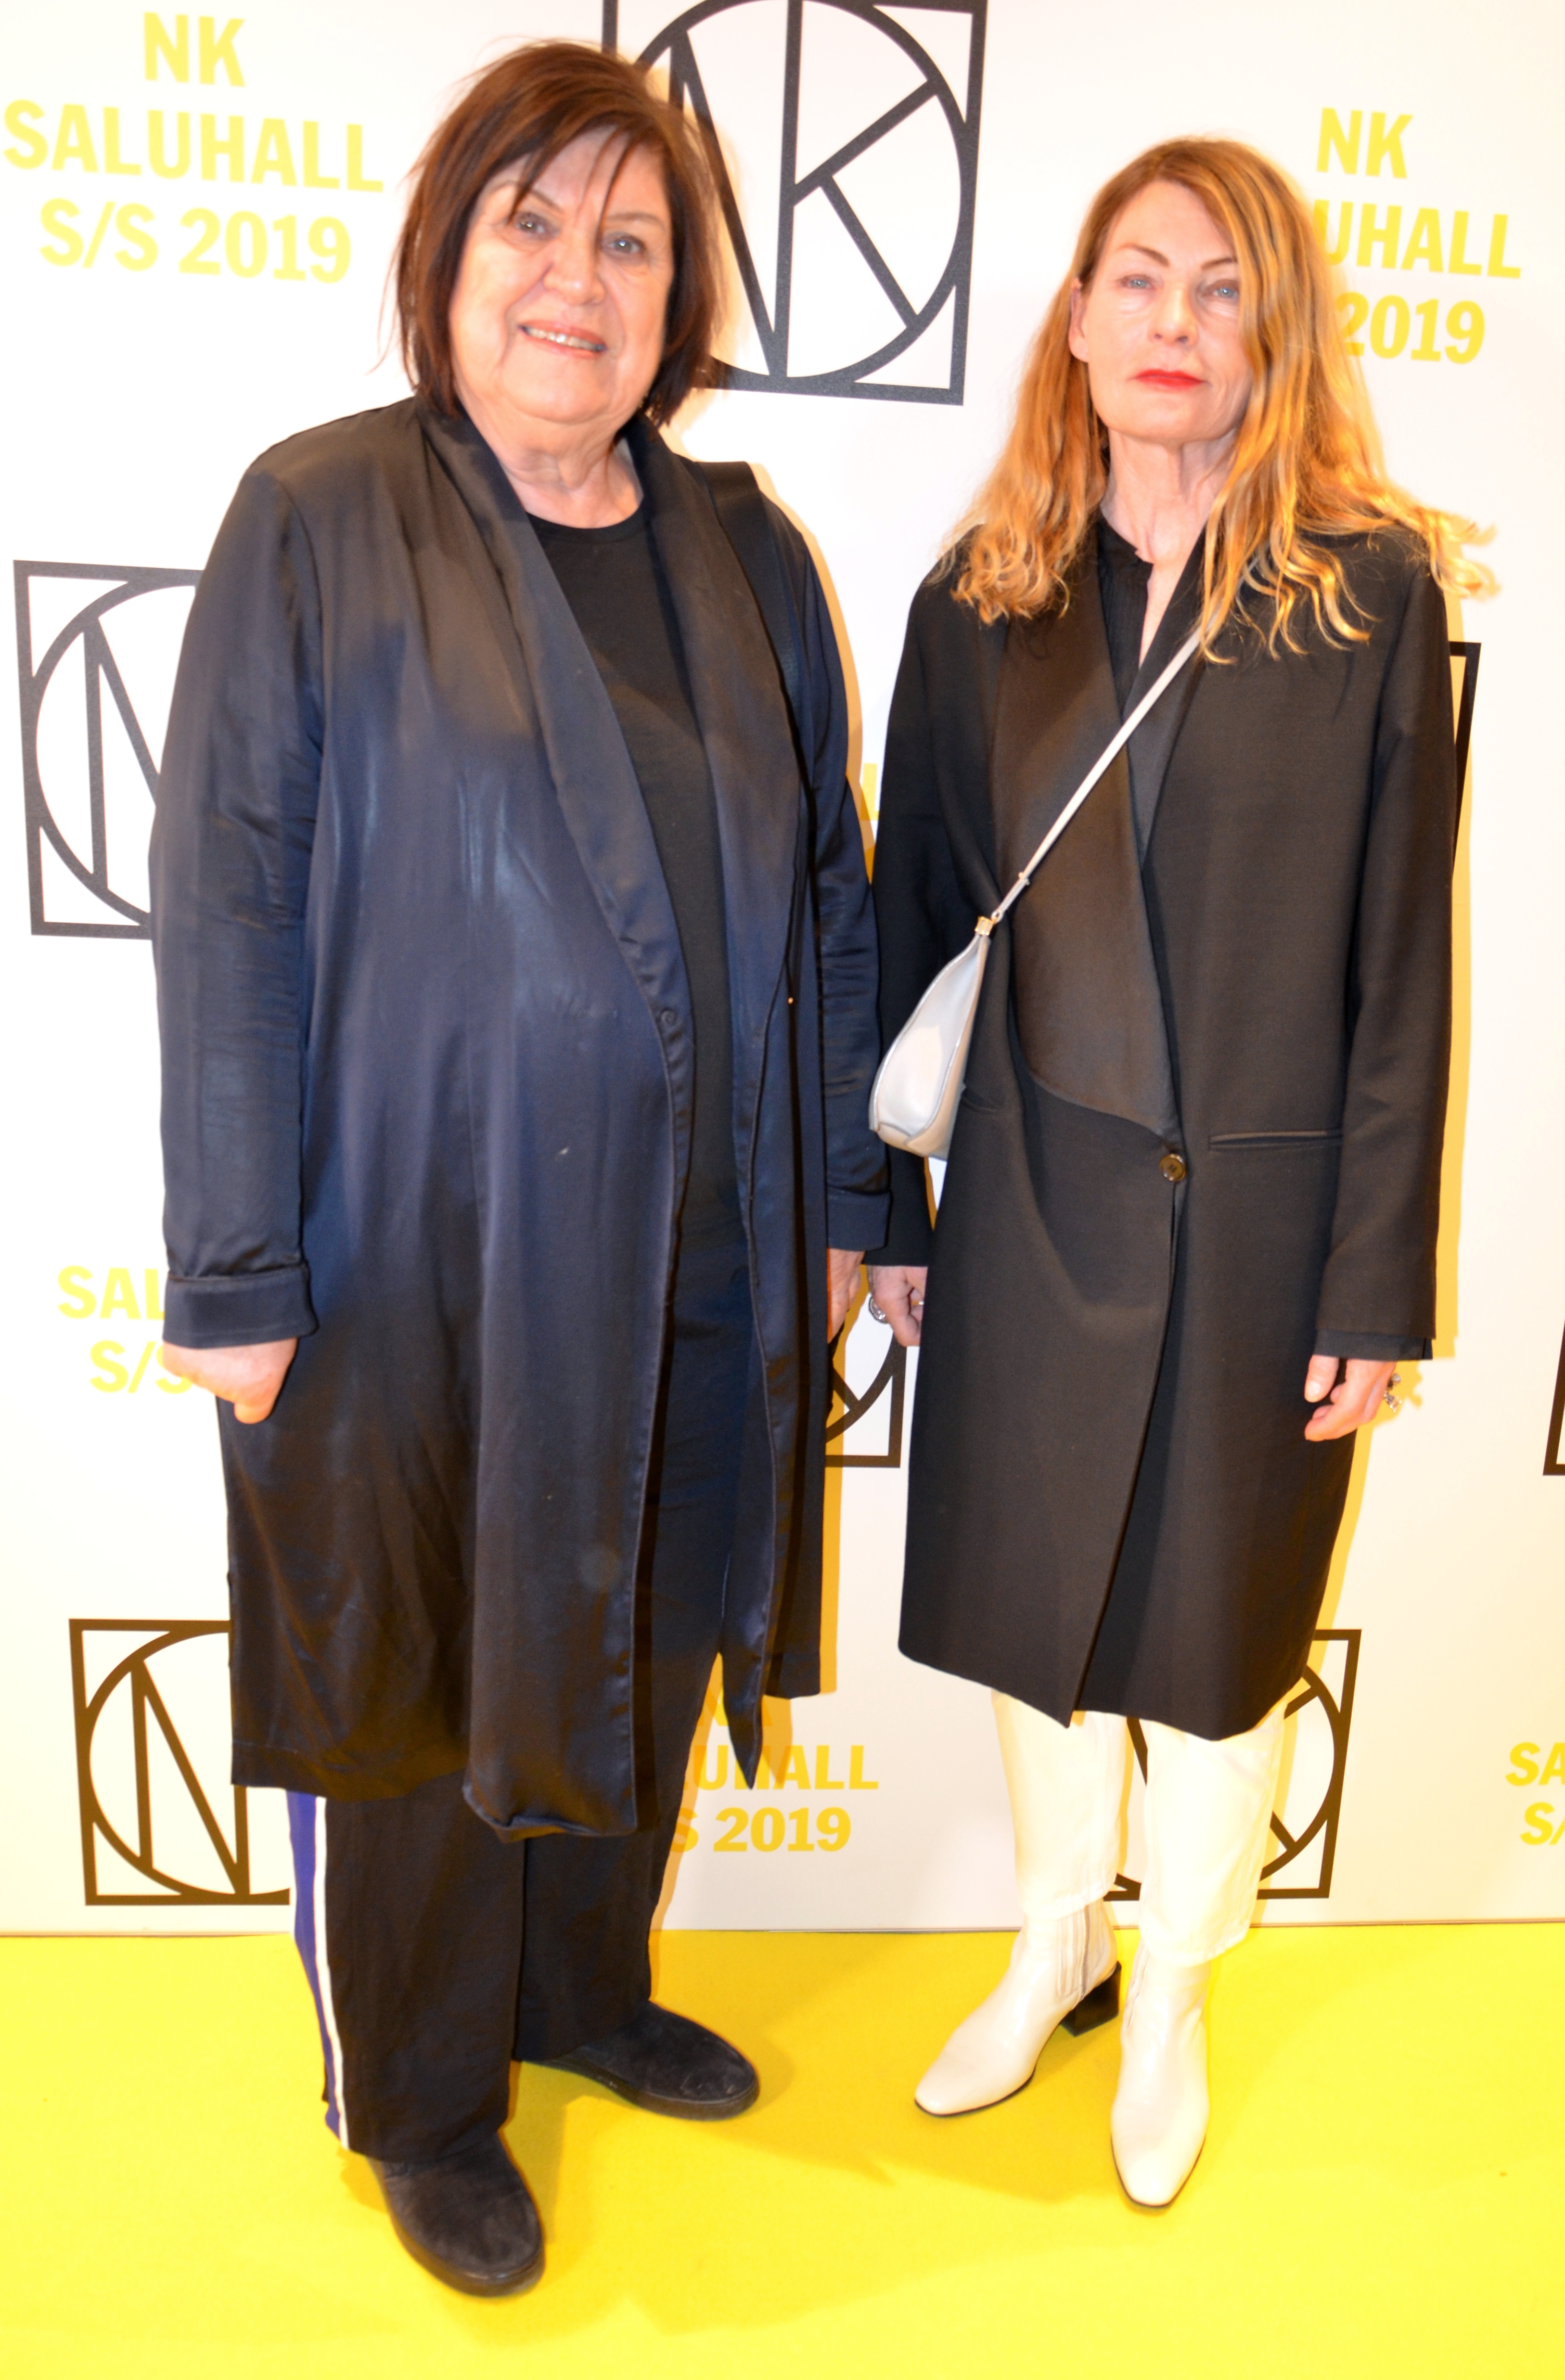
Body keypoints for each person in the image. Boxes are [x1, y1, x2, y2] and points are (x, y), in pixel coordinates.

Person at [152, 41, 886, 2296]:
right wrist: (236, 1266)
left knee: (640, 1635)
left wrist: (850, 1204)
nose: (582, 275)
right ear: (448, 258)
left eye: (632, 238)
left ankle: (579, 1991)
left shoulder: (747, 555)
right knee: (415, 1677)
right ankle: (421, 2090)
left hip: (706, 1250)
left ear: (682, 299)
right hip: (414, 1251)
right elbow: (226, 895)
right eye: (534, 222)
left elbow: (832, 900)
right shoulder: (322, 514)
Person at [866, 137, 1482, 2207]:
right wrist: (889, 1215)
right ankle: (1055, 1942)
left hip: (1267, 1227)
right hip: (1028, 1205)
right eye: (1135, 277)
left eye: (1222, 288)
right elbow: (911, 920)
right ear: (1073, 318)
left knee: (1216, 1647)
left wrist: (1373, 1282)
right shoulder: (981, 598)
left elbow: (1401, 963)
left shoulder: (1370, 594)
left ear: (1271, 338)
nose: (1172, 321)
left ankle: (1175, 1993)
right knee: (1037, 1609)